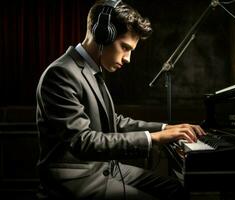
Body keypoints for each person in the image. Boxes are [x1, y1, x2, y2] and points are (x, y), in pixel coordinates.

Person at [35, 0, 206, 199]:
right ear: (102, 35)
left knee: (176, 189)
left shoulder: (90, 69)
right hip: (76, 180)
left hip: (103, 170)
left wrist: (164, 128)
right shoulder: (61, 73)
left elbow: (113, 122)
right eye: (125, 47)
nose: (128, 58)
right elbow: (83, 141)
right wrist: (153, 139)